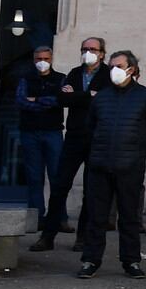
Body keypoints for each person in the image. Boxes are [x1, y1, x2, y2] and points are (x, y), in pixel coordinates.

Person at [75, 52, 146, 280]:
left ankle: (131, 261)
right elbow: (90, 127)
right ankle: (90, 260)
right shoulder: (102, 97)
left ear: (131, 70)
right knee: (97, 216)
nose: (114, 69)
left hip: (129, 167)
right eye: (112, 65)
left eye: (119, 66)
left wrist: (139, 153)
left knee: (129, 217)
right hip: (100, 166)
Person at [35, 36, 110, 252]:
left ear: (102, 53)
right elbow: (62, 99)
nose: (88, 52)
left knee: (91, 189)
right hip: (74, 136)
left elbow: (103, 99)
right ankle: (48, 235)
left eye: (93, 49)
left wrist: (77, 96)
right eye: (85, 48)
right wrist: (88, 95)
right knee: (60, 186)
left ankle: (83, 237)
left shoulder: (106, 75)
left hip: (96, 137)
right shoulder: (75, 73)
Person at [15, 46, 67, 227]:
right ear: (33, 59)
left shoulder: (60, 78)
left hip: (53, 131)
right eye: (38, 59)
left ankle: (60, 218)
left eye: (45, 58)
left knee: (56, 176)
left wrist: (35, 100)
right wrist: (46, 101)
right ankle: (36, 218)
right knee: (34, 177)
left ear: (51, 59)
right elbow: (21, 101)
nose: (42, 62)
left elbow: (60, 100)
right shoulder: (25, 79)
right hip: (30, 131)